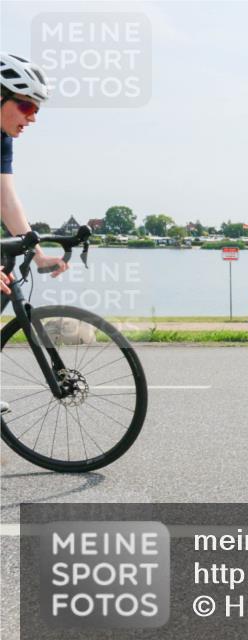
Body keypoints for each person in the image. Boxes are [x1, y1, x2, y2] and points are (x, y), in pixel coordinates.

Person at [1, 52, 67, 415]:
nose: (33, 117)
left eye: (36, 108)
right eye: (26, 105)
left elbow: (6, 199)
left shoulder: (1, 138)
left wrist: (36, 250)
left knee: (6, 282)